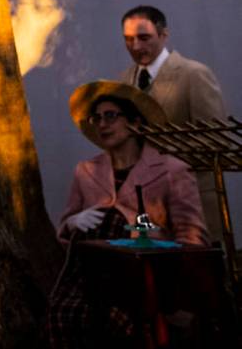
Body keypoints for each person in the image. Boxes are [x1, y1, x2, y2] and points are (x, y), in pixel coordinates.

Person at [46, 81, 209, 347]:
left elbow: (192, 237)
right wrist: (73, 223)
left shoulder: (172, 169)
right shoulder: (85, 170)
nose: (102, 124)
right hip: (91, 276)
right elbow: (66, 227)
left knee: (116, 323)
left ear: (135, 123)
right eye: (96, 118)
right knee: (65, 313)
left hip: (145, 277)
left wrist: (146, 236)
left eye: (110, 115)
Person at [120, 5, 226, 123]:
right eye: (129, 39)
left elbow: (216, 136)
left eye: (144, 38)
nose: (136, 46)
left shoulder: (195, 75)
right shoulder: (125, 79)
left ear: (163, 35)